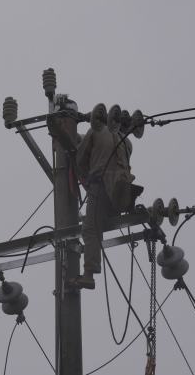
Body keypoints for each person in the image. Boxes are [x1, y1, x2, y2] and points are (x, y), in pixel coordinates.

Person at [70, 104, 135, 289]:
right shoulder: (127, 142)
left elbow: (80, 158)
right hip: (121, 194)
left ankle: (89, 274)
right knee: (100, 222)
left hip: (100, 187)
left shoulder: (96, 131)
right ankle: (109, 215)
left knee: (91, 228)